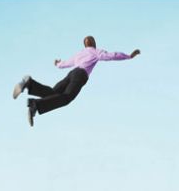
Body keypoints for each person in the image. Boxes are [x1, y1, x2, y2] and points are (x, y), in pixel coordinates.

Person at [12, 36, 141, 126]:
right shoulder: (96, 52)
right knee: (67, 97)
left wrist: (58, 64)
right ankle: (35, 105)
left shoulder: (79, 54)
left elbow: (66, 63)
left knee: (52, 93)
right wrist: (128, 56)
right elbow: (112, 56)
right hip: (80, 75)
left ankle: (29, 84)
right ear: (94, 44)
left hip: (71, 73)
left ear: (84, 45)